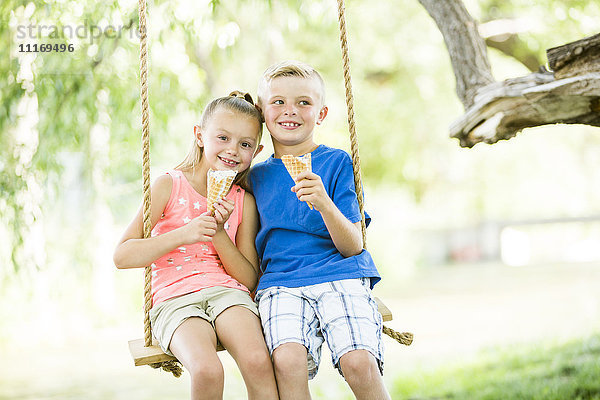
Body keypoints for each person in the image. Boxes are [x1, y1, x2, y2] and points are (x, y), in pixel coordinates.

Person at [113, 92, 279, 400]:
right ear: (199, 135)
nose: (233, 150)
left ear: (256, 151)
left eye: (244, 144)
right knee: (207, 370)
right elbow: (122, 256)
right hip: (174, 298)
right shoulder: (168, 185)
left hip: (227, 292)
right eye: (223, 138)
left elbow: (249, 278)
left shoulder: (244, 202)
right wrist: (185, 233)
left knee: (258, 361)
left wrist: (217, 232)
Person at [249, 60, 389, 400]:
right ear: (262, 110)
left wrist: (325, 203)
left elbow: (352, 246)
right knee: (287, 361)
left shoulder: (337, 163)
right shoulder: (254, 177)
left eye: (304, 102)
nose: (290, 111)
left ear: (321, 113)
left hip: (339, 272)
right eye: (278, 102)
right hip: (281, 282)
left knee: (358, 361)